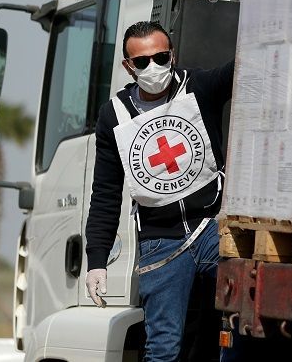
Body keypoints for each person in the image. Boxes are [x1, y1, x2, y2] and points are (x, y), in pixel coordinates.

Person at [84, 20, 234, 361]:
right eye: (142, 62)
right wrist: (97, 260)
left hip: (210, 228)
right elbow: (106, 193)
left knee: (236, 328)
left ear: (172, 55)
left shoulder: (198, 86)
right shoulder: (114, 115)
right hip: (160, 240)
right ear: (128, 66)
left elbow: (238, 70)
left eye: (161, 57)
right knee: (164, 347)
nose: (154, 67)